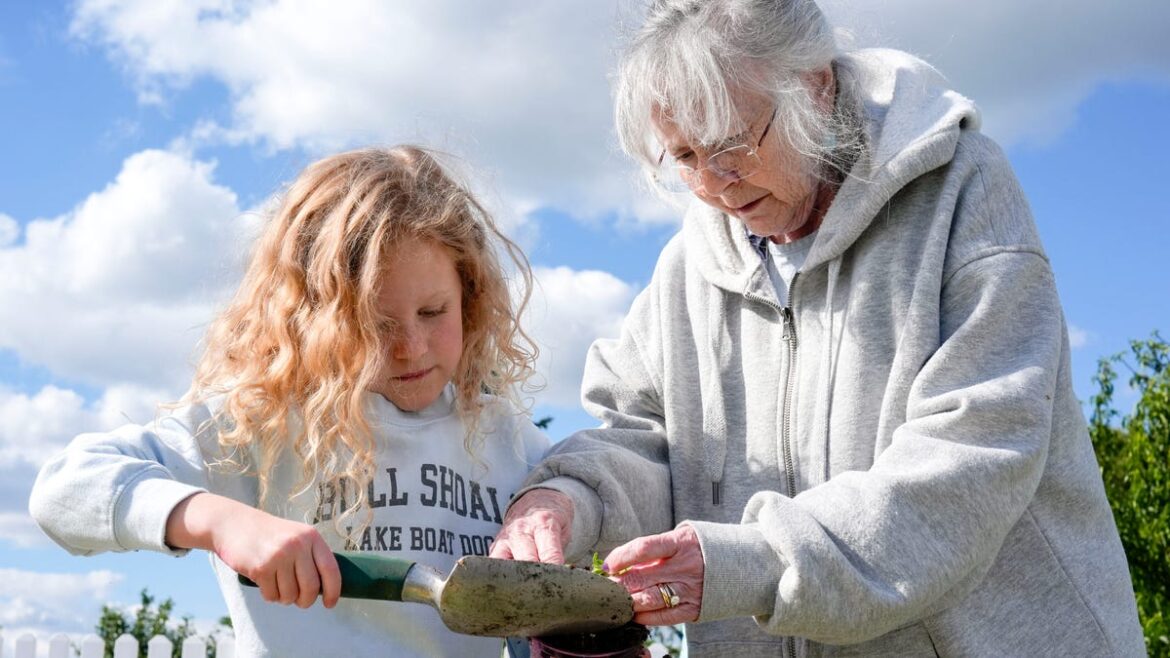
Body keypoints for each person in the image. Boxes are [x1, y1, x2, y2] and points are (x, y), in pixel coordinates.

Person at [490, 1, 1145, 656]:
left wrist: (756, 563)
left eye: (732, 142)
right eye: (685, 156)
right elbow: (646, 441)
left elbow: (976, 454)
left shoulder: (961, 192)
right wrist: (569, 499)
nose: (715, 184)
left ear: (815, 84)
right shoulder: (687, 272)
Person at [30, 146, 550, 657]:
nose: (410, 347)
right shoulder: (263, 420)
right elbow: (63, 488)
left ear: (471, 295)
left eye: (433, 311)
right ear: (313, 321)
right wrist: (221, 522)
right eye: (376, 324)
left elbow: (596, 495)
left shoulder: (505, 435)